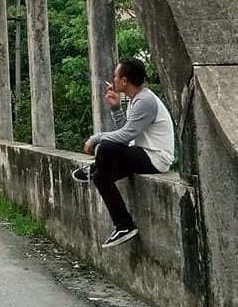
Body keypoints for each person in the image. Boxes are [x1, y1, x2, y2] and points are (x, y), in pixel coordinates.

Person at [72, 57, 175, 249]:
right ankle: (124, 224)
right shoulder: (137, 99)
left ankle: (123, 222)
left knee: (105, 147)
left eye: (115, 76)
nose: (113, 80)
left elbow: (124, 135)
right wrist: (116, 108)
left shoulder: (145, 101)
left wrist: (96, 138)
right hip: (141, 154)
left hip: (155, 158)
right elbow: (126, 136)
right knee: (101, 178)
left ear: (124, 80)